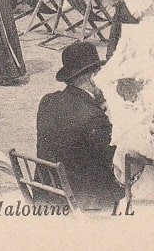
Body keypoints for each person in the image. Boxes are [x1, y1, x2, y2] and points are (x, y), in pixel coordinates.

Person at [36, 41, 123, 211]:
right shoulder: (93, 117)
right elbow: (112, 159)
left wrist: (97, 105)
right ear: (92, 78)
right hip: (84, 200)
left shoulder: (47, 101)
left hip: (47, 191)